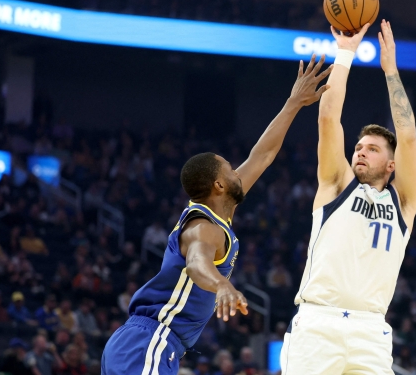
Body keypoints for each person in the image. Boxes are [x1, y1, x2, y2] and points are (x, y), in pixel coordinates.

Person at [101, 54, 333, 375]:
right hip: (150, 340)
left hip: (151, 344)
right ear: (220, 184)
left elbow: (262, 155)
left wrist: (293, 103)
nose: (240, 171)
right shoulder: (203, 226)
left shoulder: (220, 210)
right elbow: (198, 264)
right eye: (230, 167)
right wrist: (222, 285)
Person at [281, 20, 416, 374]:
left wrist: (390, 71)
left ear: (391, 165)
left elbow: (407, 137)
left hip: (371, 329)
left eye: (372, 149)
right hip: (318, 323)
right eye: (358, 147)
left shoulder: (403, 201)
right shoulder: (336, 184)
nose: (360, 152)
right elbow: (328, 117)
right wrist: (345, 52)